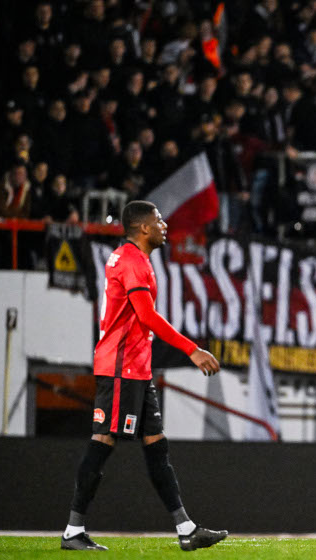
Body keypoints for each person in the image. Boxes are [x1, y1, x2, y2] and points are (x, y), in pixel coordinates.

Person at [60, 201, 227, 551]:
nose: (165, 225)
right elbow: (147, 316)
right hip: (120, 367)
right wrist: (191, 349)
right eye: (159, 220)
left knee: (156, 445)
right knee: (102, 442)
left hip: (135, 367)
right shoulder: (133, 261)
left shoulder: (129, 257)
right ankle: (73, 531)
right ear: (143, 228)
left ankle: (186, 528)